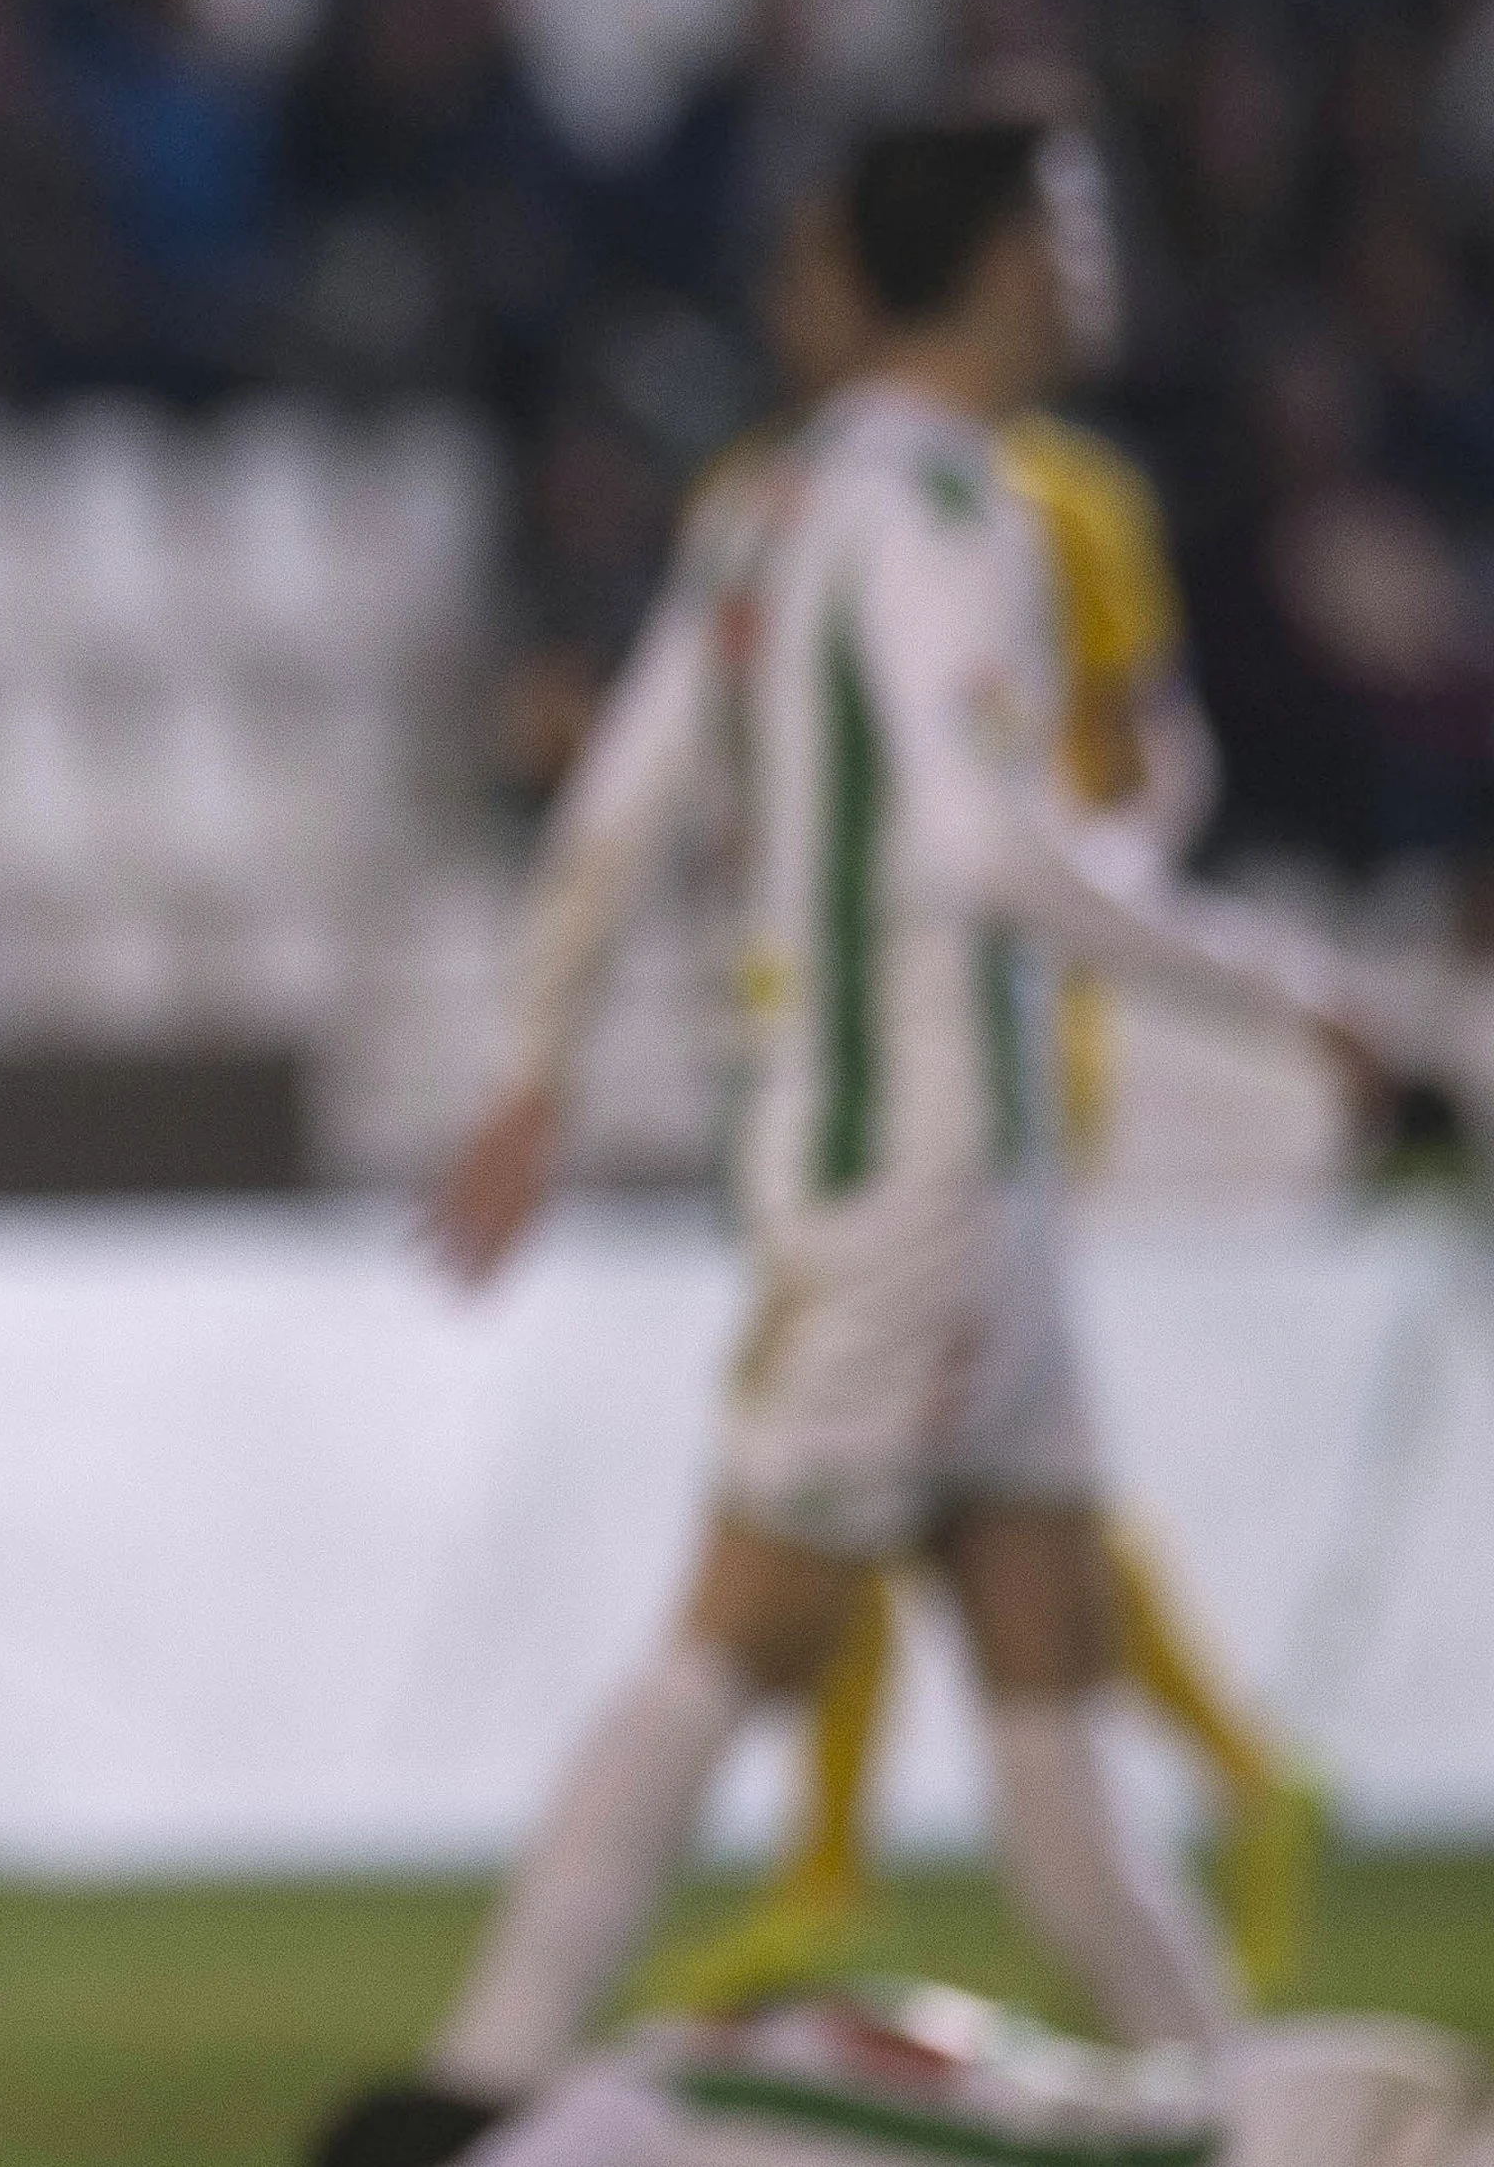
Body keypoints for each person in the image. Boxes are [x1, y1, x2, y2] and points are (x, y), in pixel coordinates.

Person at [323, 122, 1378, 2167]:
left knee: (1052, 1712)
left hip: (911, 1168)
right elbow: (997, 847)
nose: (1097, 260)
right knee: (745, 1636)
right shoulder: (960, 506)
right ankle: (463, 2101)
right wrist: (1299, 991)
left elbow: (618, 808)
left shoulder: (765, 509)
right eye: (1068, 222)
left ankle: (1248, 2116)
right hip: (923, 1173)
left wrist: (536, 1068)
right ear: (991, 259)